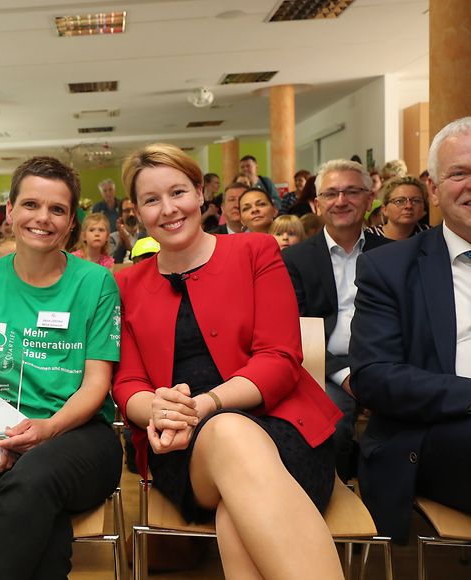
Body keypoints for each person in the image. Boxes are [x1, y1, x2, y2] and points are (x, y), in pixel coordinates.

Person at [114, 143, 343, 579]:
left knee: (236, 519)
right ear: (137, 212)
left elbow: (279, 358)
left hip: (284, 430)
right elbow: (127, 385)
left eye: (178, 192)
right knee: (228, 435)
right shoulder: (125, 283)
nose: (168, 209)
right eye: (151, 200)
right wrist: (161, 412)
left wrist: (205, 405)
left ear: (201, 193)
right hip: (180, 447)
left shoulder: (255, 251)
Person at [0, 156, 123, 580]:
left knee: (35, 476)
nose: (42, 218)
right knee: (39, 523)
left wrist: (49, 429)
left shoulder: (96, 283)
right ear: (9, 211)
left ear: (70, 222)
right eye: (30, 204)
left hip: (81, 437)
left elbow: (96, 385)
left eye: (57, 209)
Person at [350, 117, 471, 545]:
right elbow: (374, 376)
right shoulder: (389, 268)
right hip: (435, 433)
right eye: (459, 174)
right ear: (434, 190)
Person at [282, 159, 391, 481]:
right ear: (316, 204)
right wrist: (344, 375)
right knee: (333, 423)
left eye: (351, 192)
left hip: (385, 361)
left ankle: (384, 508)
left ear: (370, 199)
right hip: (325, 366)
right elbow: (296, 328)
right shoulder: (294, 259)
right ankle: (337, 499)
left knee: (404, 426)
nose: (341, 201)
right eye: (331, 194)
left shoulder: (394, 253)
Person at [110, 198, 145, 263]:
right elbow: (113, 263)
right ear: (121, 215)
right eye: (127, 211)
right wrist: (122, 241)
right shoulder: (112, 238)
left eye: (134, 210)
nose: (131, 214)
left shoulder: (148, 236)